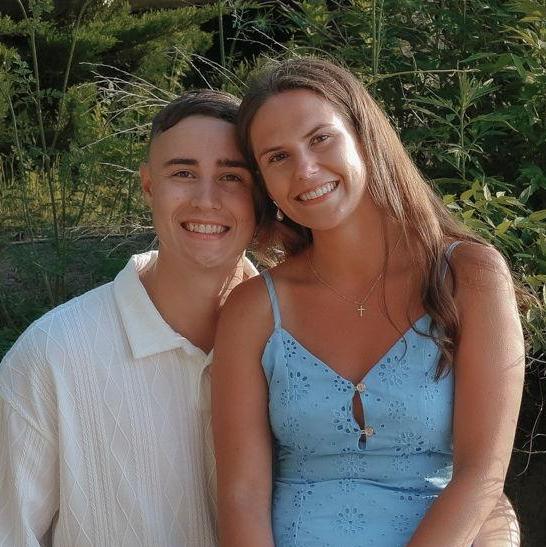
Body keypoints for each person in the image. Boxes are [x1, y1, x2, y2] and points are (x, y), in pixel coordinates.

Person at [212, 58, 525, 547]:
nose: (305, 170)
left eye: (320, 138)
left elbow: (481, 474)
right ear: (264, 183)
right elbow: (241, 496)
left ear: (364, 136)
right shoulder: (252, 308)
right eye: (278, 157)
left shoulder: (471, 276)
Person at [0, 90, 257, 546]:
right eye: (183, 172)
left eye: (232, 176)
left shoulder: (301, 342)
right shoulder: (51, 356)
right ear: (148, 185)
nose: (206, 200)